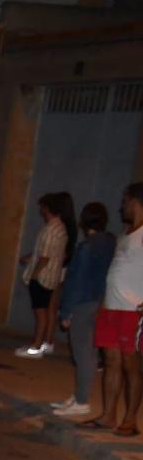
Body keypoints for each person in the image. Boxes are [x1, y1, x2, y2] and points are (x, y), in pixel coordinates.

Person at [88, 183, 143, 435]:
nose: (122, 205)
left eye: (126, 201)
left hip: (133, 309)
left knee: (131, 364)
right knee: (111, 361)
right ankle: (108, 415)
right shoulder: (126, 232)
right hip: (112, 307)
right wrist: (103, 304)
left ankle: (130, 419)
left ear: (136, 201)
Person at [53, 200, 113, 420]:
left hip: (82, 303)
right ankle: (79, 395)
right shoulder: (109, 243)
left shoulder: (87, 247)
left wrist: (66, 311)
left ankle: (81, 401)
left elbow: (76, 280)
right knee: (90, 353)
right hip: (100, 301)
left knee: (83, 354)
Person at [17, 191, 74, 358]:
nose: (40, 211)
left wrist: (34, 274)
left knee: (40, 312)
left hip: (43, 276)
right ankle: (44, 343)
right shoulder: (60, 227)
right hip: (52, 275)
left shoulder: (51, 229)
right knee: (47, 311)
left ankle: (36, 346)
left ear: (47, 208)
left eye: (42, 207)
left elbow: (45, 256)